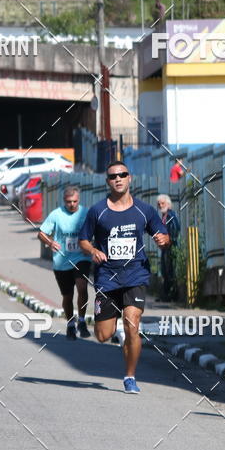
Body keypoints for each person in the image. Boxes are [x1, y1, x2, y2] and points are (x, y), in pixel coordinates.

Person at [79, 161, 169, 394]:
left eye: (122, 174)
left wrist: (162, 239)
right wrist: (93, 251)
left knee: (132, 323)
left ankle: (130, 377)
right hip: (107, 278)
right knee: (102, 335)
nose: (118, 178)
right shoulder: (98, 211)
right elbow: (83, 240)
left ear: (130, 178)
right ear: (107, 182)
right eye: (113, 176)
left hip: (135, 275)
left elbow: (161, 233)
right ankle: (119, 334)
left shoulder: (144, 210)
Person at [38, 186, 91, 340]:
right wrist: (50, 242)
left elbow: (96, 230)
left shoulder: (85, 213)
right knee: (67, 295)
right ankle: (70, 324)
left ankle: (81, 320)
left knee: (82, 287)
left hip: (82, 258)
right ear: (64, 201)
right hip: (62, 261)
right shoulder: (56, 214)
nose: (72, 204)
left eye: (74, 201)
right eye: (68, 202)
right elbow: (41, 233)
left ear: (79, 200)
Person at [157, 194, 181, 301]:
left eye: (162, 203)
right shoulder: (165, 216)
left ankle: (171, 295)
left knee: (170, 270)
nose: (160, 205)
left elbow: (176, 227)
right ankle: (166, 295)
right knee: (165, 270)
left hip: (171, 246)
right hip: (166, 247)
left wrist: (171, 240)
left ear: (168, 204)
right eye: (159, 204)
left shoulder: (171, 215)